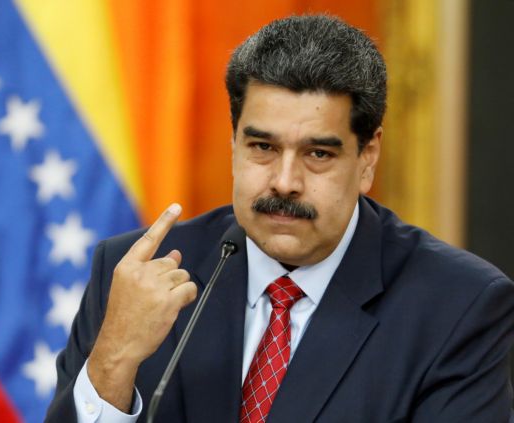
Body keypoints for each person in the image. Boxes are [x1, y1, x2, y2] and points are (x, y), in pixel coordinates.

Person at [45, 15, 514, 423]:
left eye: (317, 153)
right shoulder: (133, 273)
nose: (284, 181)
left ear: (367, 158)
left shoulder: (458, 306)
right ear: (234, 146)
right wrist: (114, 361)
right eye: (263, 148)